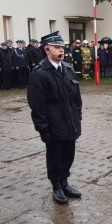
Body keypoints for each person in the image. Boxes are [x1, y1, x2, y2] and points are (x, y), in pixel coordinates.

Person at [27, 31, 82, 205]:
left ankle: (65, 183)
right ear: (47, 50)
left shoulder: (68, 69)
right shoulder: (39, 73)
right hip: (53, 124)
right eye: (57, 47)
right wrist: (43, 128)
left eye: (62, 47)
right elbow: (37, 104)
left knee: (68, 156)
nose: (61, 50)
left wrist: (77, 116)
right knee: (55, 157)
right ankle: (56, 186)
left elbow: (76, 98)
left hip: (70, 122)